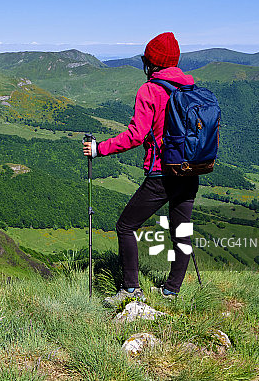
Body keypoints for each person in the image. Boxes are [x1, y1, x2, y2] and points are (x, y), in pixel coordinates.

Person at [82, 31, 198, 306]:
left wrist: (99, 149)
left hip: (163, 173)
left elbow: (135, 135)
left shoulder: (150, 90)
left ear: (151, 62)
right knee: (181, 231)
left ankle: (131, 289)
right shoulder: (190, 89)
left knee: (125, 226)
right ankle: (171, 291)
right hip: (191, 169)